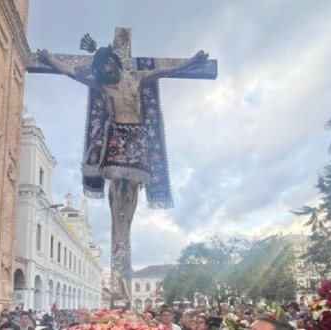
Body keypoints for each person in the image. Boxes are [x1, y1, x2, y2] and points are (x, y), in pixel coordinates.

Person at [37, 38, 208, 305]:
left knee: (133, 185)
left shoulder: (137, 78)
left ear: (115, 62)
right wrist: (49, 59)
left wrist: (193, 61)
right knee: (115, 184)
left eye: (108, 63)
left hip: (137, 135)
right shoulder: (102, 86)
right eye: (102, 66)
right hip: (116, 133)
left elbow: (165, 71)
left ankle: (125, 226)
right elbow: (72, 74)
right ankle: (117, 229)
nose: (106, 69)